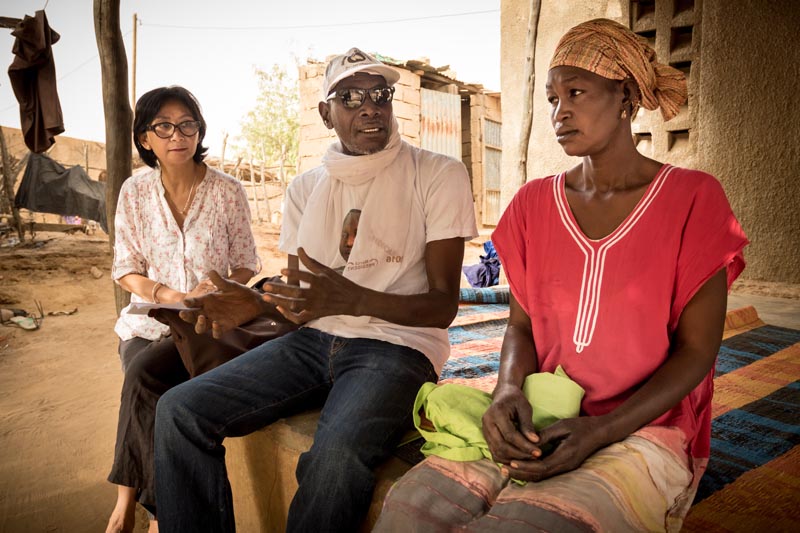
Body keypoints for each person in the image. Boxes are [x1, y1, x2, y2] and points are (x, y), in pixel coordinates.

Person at [375, 18, 748, 532]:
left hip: (643, 425)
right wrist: (507, 391)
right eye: (552, 98)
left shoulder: (693, 199)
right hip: (542, 410)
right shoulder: (534, 203)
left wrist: (601, 431)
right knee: (412, 506)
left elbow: (697, 352)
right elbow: (522, 327)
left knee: (529, 523)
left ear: (627, 98)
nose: (560, 111)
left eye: (577, 92)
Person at [152, 47, 478, 532]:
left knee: (336, 458)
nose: (369, 107)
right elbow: (300, 299)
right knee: (179, 409)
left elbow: (442, 307)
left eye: (379, 94)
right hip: (311, 341)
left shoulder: (437, 173)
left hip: (397, 347)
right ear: (326, 113)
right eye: (350, 96)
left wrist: (351, 299)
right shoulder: (305, 188)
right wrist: (257, 304)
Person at [106, 86, 259, 533]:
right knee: (143, 372)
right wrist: (170, 295)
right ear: (145, 138)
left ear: (199, 130)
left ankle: (135, 503)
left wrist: (215, 287)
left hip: (207, 323)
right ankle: (156, 508)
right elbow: (125, 268)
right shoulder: (134, 192)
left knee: (145, 377)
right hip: (147, 320)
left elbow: (247, 260)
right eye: (165, 126)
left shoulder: (228, 192)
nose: (179, 135)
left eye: (188, 124)